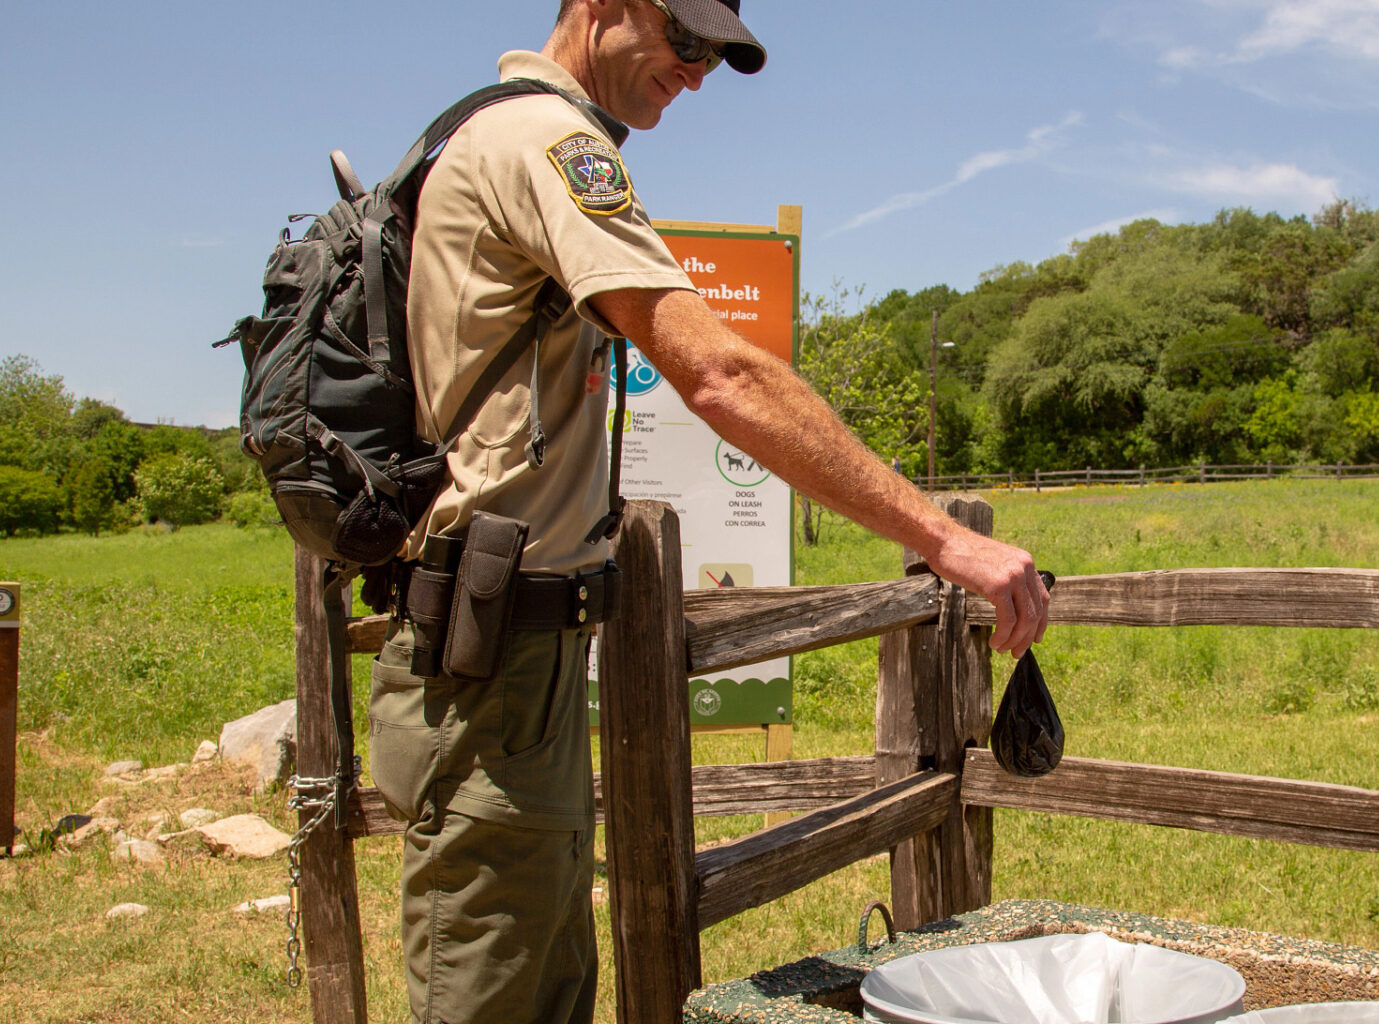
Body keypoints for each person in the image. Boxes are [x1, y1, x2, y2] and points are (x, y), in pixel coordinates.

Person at [368, 2, 1052, 1022]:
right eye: (683, 40)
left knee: (544, 987)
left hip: (514, 654)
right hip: (491, 667)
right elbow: (722, 373)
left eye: (716, 56)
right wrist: (945, 539)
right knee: (495, 993)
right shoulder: (544, 140)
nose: (696, 73)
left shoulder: (486, 130)